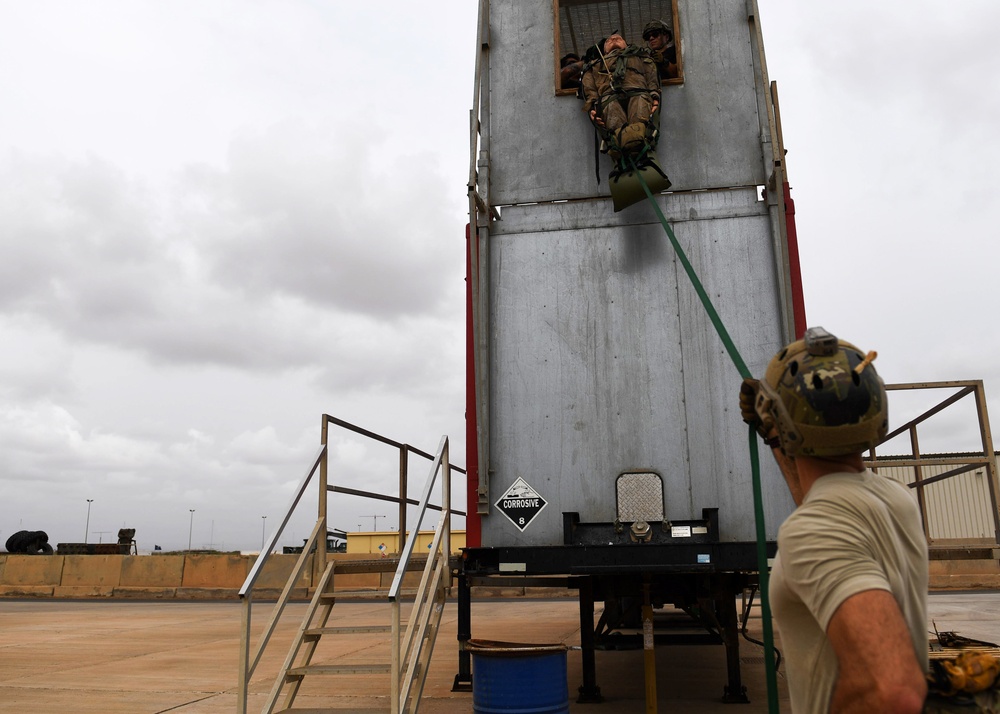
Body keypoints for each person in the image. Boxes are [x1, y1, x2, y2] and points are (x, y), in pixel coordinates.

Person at [740, 327, 928, 713]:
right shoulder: (894, 498)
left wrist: (778, 426)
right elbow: (821, 505)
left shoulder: (813, 530)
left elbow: (892, 691)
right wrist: (777, 437)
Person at [580, 33, 660, 164]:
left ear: (626, 44)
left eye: (619, 38)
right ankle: (624, 163)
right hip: (608, 99)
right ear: (604, 48)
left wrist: (654, 97)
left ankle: (644, 160)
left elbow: (651, 77)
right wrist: (592, 108)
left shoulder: (640, 57)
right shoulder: (594, 65)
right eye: (609, 40)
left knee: (639, 130)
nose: (614, 39)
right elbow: (589, 89)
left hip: (638, 93)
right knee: (618, 134)